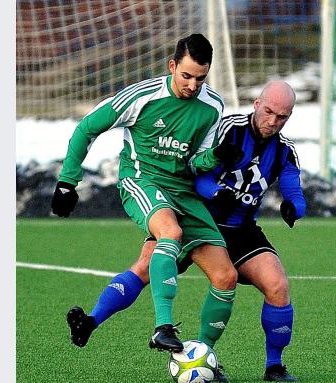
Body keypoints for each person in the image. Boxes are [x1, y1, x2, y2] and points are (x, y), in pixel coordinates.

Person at [67, 81, 305, 383]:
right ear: (257, 104)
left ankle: (272, 365)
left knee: (277, 285)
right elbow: (195, 167)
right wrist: (215, 192)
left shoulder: (285, 150)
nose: (273, 121)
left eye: (282, 117)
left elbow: (294, 189)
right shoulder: (225, 128)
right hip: (196, 219)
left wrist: (293, 208)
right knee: (144, 268)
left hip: (242, 231)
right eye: (269, 111)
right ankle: (91, 321)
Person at [51, 34, 242, 354]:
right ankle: (163, 327)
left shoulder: (212, 107)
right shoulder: (142, 96)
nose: (193, 85)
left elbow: (197, 163)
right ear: (172, 66)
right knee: (171, 232)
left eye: (200, 78)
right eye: (186, 76)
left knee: (224, 277)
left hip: (183, 193)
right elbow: (88, 127)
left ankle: (202, 355)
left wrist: (218, 157)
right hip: (143, 180)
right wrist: (68, 181)